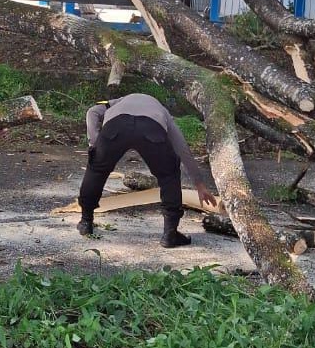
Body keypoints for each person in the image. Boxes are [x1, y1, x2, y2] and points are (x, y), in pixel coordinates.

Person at [79, 93, 217, 247]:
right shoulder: (161, 109)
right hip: (151, 128)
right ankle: (170, 233)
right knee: (169, 174)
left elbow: (91, 111)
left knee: (97, 169)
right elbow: (182, 148)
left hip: (116, 127)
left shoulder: (112, 105)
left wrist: (95, 143)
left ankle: (86, 222)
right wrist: (199, 185)